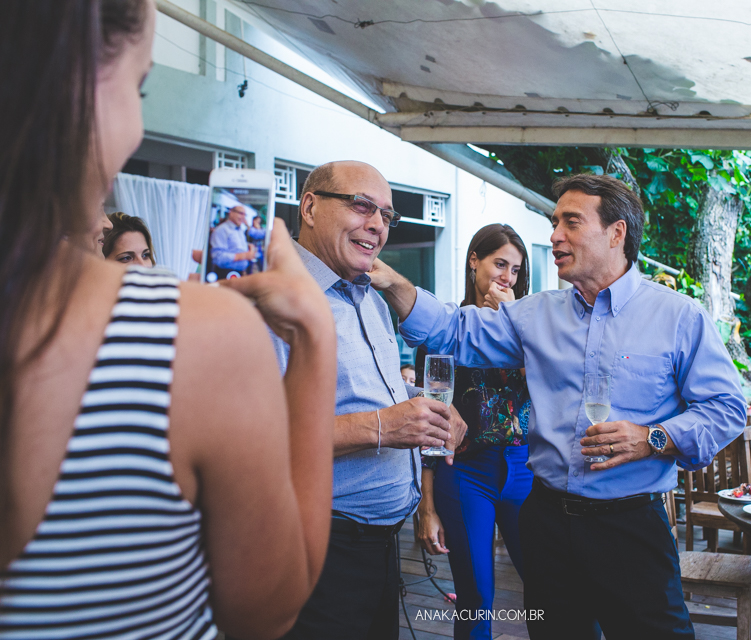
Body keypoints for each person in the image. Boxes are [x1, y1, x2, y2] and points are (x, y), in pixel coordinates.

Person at [0, 2, 337, 638]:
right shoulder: (194, 337)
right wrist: (316, 335)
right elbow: (267, 612)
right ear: (74, 86)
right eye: (140, 87)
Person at [372, 173, 746, 639]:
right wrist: (391, 281)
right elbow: (454, 330)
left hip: (631, 527)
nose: (554, 236)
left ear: (616, 233)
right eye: (554, 223)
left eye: (571, 222)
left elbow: (727, 408)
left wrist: (654, 438)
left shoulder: (679, 316)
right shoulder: (535, 314)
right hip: (546, 522)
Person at [271, 160, 466, 640]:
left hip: (380, 546)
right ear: (310, 207)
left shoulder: (371, 298)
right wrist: (383, 427)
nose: (378, 225)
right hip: (313, 547)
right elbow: (254, 437)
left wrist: (426, 406)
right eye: (362, 206)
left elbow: (371, 390)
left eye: (387, 215)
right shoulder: (274, 297)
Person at [416, 223, 533, 640]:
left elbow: (548, 385)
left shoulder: (530, 328)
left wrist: (515, 321)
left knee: (547, 584)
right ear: (474, 261)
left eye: (516, 270)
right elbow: (430, 427)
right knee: (475, 595)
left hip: (525, 469)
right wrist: (426, 507)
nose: (508, 277)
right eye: (500, 264)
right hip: (465, 473)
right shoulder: (444, 330)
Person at [210, 204, 257, 274]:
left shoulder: (239, 230)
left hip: (238, 273)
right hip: (225, 273)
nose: (243, 217)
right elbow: (217, 257)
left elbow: (234, 246)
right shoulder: (222, 230)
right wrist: (244, 256)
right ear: (231, 213)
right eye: (241, 213)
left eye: (245, 215)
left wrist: (248, 246)